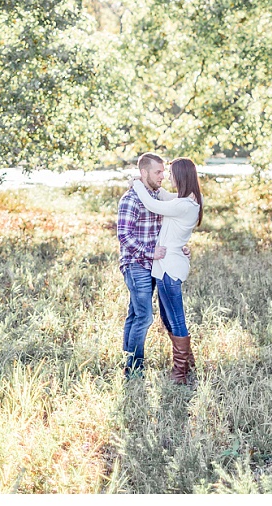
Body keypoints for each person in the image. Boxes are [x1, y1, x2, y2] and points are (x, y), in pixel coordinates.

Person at [127, 157, 204, 384]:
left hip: (170, 268)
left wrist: (137, 184)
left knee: (176, 320)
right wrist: (144, 181)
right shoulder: (187, 199)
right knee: (167, 317)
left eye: (171, 173)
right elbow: (162, 196)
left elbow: (154, 205)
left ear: (181, 176)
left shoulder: (185, 204)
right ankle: (187, 364)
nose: (167, 177)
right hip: (166, 266)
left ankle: (180, 373)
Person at [115, 152, 190, 379]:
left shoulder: (158, 197)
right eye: (158, 172)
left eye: (163, 172)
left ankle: (128, 361)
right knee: (145, 316)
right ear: (144, 172)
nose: (163, 176)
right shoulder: (131, 199)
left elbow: (168, 230)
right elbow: (124, 236)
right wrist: (150, 253)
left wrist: (180, 247)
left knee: (135, 314)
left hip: (156, 266)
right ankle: (135, 369)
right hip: (137, 264)